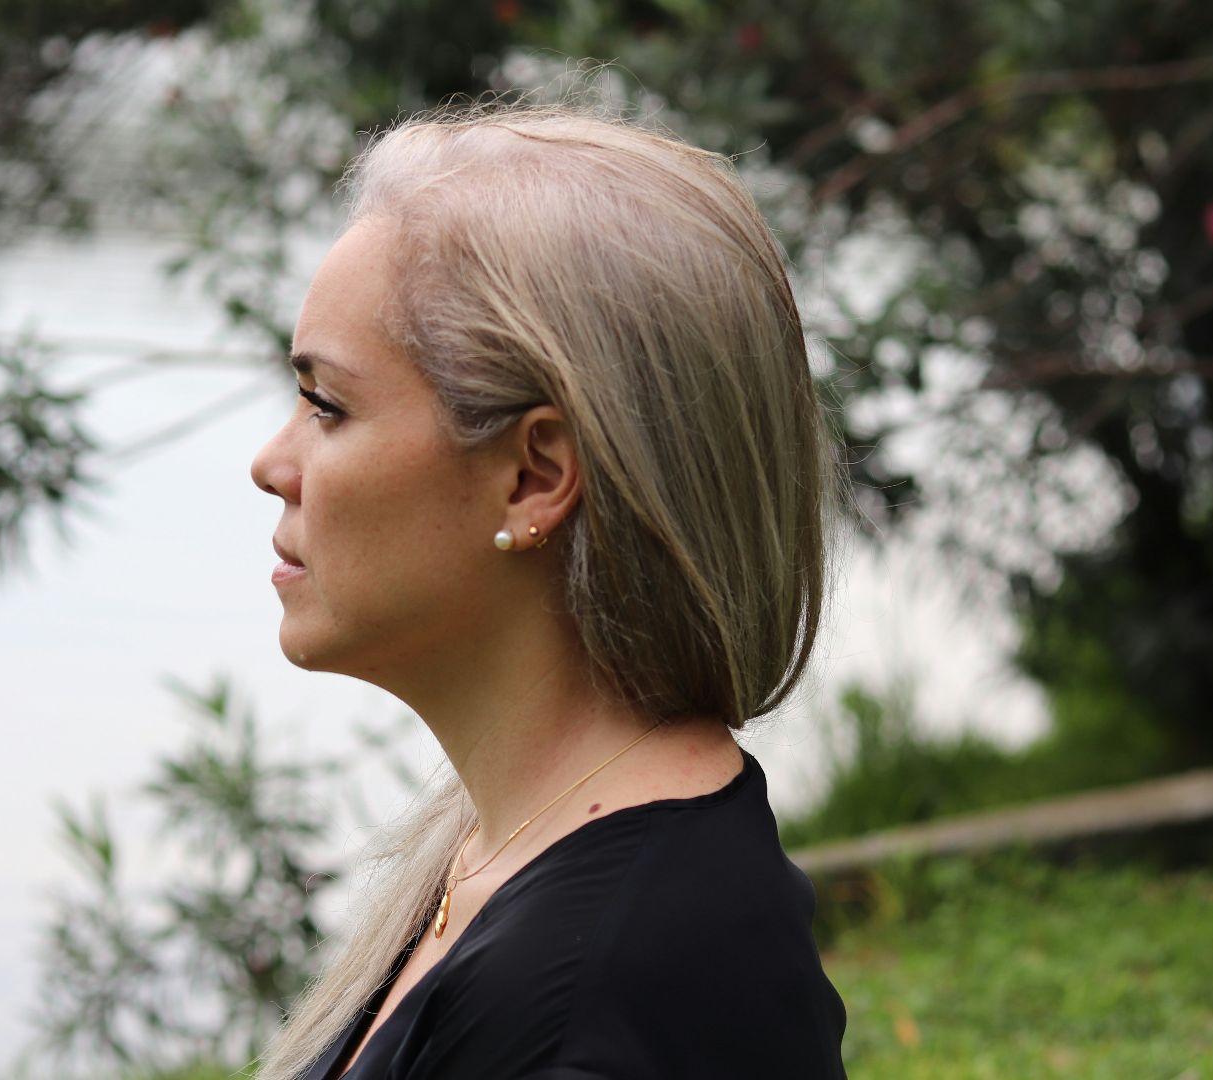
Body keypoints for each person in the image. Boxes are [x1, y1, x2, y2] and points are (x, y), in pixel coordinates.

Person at [248, 100, 850, 1079]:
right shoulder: (519, 860)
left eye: (327, 405)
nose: (272, 463)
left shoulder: (600, 1007)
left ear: (534, 476)